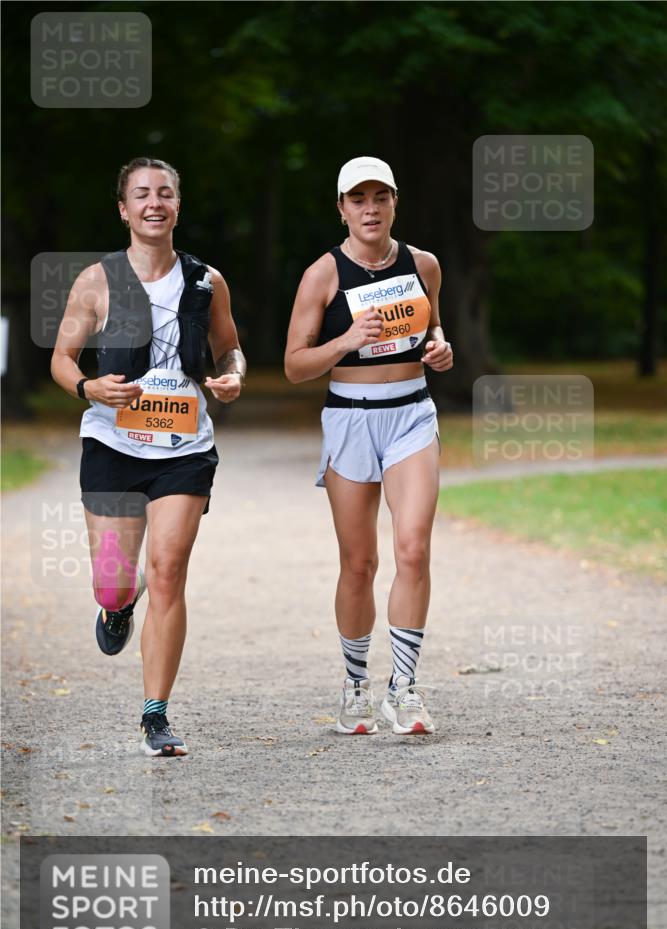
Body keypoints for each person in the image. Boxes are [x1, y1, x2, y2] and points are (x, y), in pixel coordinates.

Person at [51, 157, 246, 757]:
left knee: (168, 571)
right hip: (112, 443)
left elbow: (230, 349)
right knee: (113, 584)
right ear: (124, 209)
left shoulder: (207, 281)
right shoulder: (97, 280)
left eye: (165, 193)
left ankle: (155, 714)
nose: (154, 203)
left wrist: (233, 377)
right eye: (141, 194)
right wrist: (89, 387)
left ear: (177, 206)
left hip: (184, 447)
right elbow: (61, 360)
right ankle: (117, 607)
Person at [285, 156, 453, 735]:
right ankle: (356, 685)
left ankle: (403, 689)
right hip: (351, 419)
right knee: (359, 564)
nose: (371, 209)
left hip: (411, 415)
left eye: (381, 197)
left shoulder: (424, 265)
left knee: (413, 550)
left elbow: (433, 328)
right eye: (358, 199)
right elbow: (294, 365)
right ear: (342, 209)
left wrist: (439, 348)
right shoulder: (322, 275)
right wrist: (347, 340)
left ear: (395, 202)